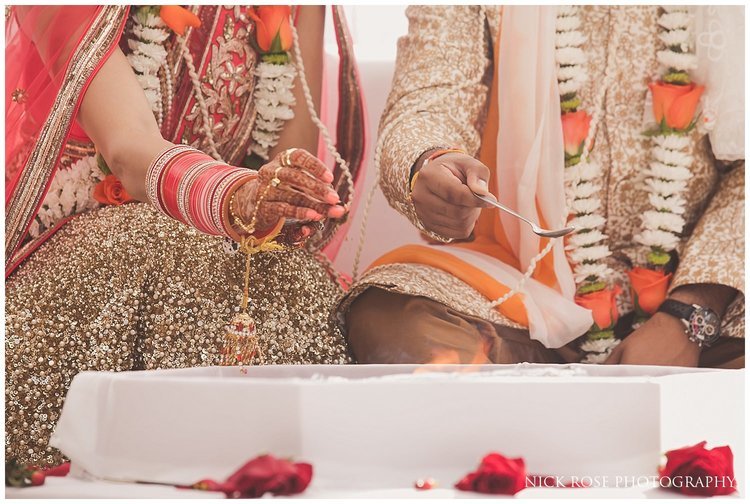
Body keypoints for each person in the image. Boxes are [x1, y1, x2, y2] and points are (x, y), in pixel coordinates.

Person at [5, 5, 365, 466]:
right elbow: (127, 147)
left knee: (291, 283)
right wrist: (235, 198)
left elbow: (286, 160)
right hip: (86, 241)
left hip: (233, 242)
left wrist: (285, 197)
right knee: (159, 249)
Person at [341, 6, 743, 368]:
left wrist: (691, 314)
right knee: (392, 317)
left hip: (708, 296)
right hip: (520, 285)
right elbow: (429, 95)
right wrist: (428, 160)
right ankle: (510, 443)